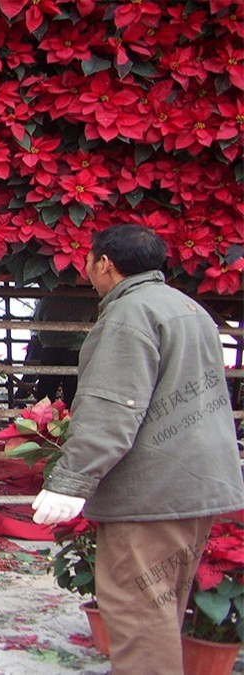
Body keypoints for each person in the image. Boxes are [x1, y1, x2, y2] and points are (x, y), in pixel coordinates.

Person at [31, 224, 244, 674]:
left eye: (88, 258)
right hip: (196, 484)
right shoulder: (188, 308)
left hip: (152, 490)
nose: (85, 266)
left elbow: (113, 407)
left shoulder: (130, 315)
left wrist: (70, 481)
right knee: (162, 606)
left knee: (138, 612)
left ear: (104, 263)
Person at [30, 293, 100, 407]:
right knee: (73, 389)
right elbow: (94, 321)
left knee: (46, 389)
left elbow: (37, 319)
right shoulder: (87, 300)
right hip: (75, 349)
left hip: (51, 347)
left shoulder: (48, 299)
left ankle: (42, 420)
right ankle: (71, 418)